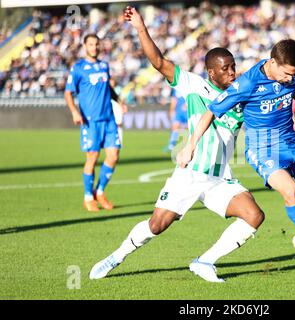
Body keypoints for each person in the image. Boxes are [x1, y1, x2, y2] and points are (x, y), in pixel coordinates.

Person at [89, 7, 265, 283]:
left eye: (234, 67)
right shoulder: (195, 86)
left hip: (219, 177)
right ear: (211, 73)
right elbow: (159, 61)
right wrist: (140, 28)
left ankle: (204, 261)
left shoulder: (241, 97)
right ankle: (117, 256)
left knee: (254, 215)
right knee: (157, 225)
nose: (233, 72)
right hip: (191, 172)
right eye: (226, 69)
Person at [178, 39, 295, 274]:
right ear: (273, 62)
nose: (289, 78)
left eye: (293, 74)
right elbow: (210, 112)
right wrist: (190, 146)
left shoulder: (290, 74)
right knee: (290, 191)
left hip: (291, 142)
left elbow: (293, 87)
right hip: (262, 149)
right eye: (286, 73)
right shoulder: (247, 83)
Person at [64, 33, 126, 212]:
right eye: (91, 44)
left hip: (109, 119)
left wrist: (119, 101)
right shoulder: (78, 68)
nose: (94, 47)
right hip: (91, 121)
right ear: (85, 46)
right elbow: (68, 93)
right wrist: (75, 112)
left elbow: (108, 88)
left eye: (97, 44)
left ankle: (99, 191)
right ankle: (88, 197)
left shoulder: (104, 65)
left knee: (113, 156)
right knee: (92, 157)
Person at [164, 87, 187, 152]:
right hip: (178, 111)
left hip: (187, 110)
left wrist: (186, 104)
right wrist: (172, 110)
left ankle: (190, 144)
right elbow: (174, 100)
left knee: (190, 128)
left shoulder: (188, 85)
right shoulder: (175, 88)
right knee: (175, 127)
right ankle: (171, 145)